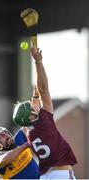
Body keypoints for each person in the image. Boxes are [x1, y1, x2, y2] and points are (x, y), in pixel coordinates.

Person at [12, 47, 77, 179]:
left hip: (45, 176)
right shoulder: (44, 121)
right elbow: (44, 90)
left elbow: (38, 95)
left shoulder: (27, 131)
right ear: (31, 115)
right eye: (31, 107)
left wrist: (35, 94)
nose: (35, 107)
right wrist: (38, 62)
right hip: (61, 174)